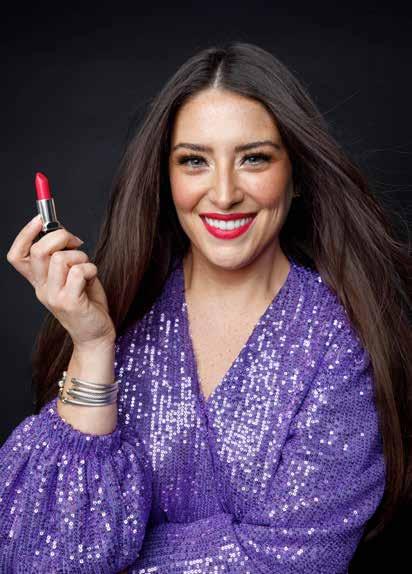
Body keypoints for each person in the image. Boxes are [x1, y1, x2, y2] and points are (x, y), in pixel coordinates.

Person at [1, 42, 411, 573]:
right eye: (194, 161)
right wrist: (93, 345)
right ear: (166, 178)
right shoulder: (121, 318)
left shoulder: (340, 340)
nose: (223, 193)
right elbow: (40, 554)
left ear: (297, 175)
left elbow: (284, 561)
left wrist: (119, 554)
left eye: (254, 158)